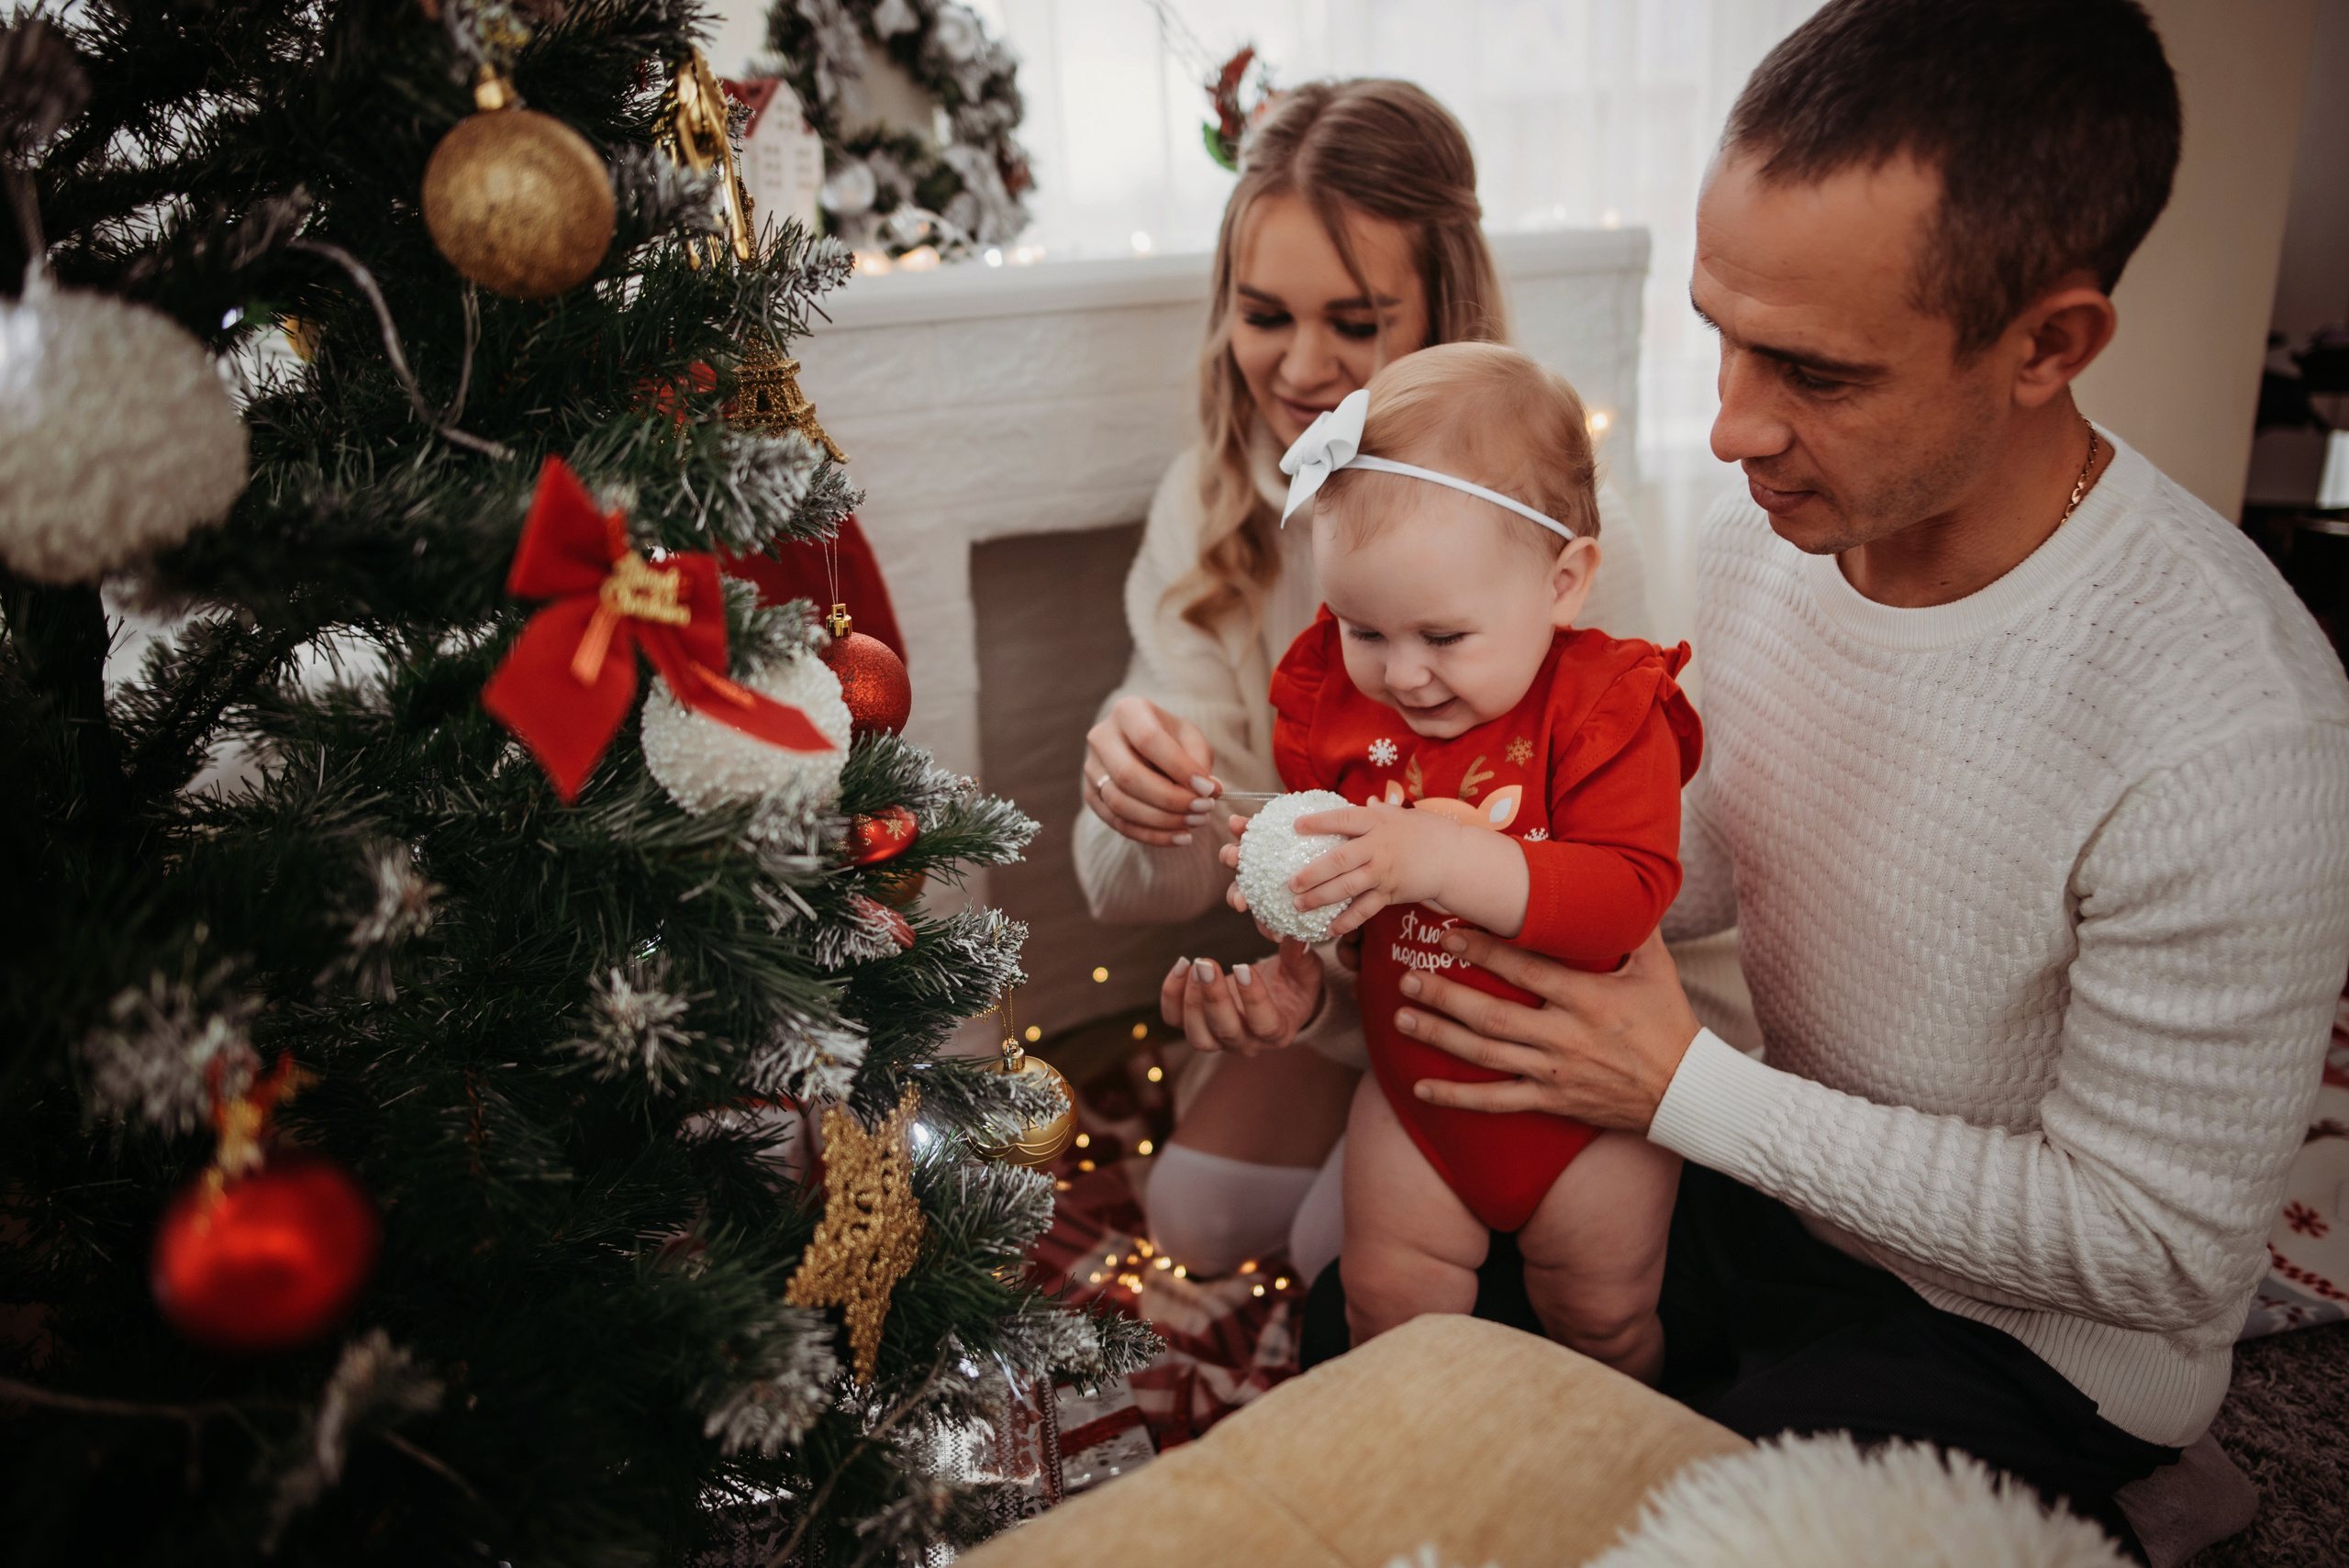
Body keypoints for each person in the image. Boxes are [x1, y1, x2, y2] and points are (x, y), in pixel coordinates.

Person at [1300, 0, 2349, 1558]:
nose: (1730, 425)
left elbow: (2154, 1250)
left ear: (2046, 345)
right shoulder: (1768, 539)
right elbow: (1727, 852)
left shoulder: (2233, 727)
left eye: (1813, 369)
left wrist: (1682, 1085)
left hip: (2037, 1336)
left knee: (1634, 1521)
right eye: (1724, 332)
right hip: (1781, 1179)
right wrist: (1462, 851)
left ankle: (2125, 1488)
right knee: (1374, 1327)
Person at [1074, 79, 1661, 1283]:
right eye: (1263, 314)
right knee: (1195, 1219)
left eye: (1355, 322)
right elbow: (1150, 875)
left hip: (1512, 972)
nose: (1299, 368)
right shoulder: (1214, 497)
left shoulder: (1549, 522)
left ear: (1441, 308)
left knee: (1342, 1253)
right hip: (1336, 986)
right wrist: (1146, 795)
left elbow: (1628, 870)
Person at [1223, 344, 1699, 1377]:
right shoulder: (1340, 711)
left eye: (1443, 634)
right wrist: (1299, 917)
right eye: (1362, 628)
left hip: (1587, 1117)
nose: (1401, 673)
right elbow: (1353, 907)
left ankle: (1605, 1492)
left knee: (1601, 1321)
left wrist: (1436, 856)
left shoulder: (1603, 708)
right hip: (1414, 1101)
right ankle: (1426, 1491)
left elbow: (1623, 899)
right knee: (1387, 1309)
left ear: (1562, 582)